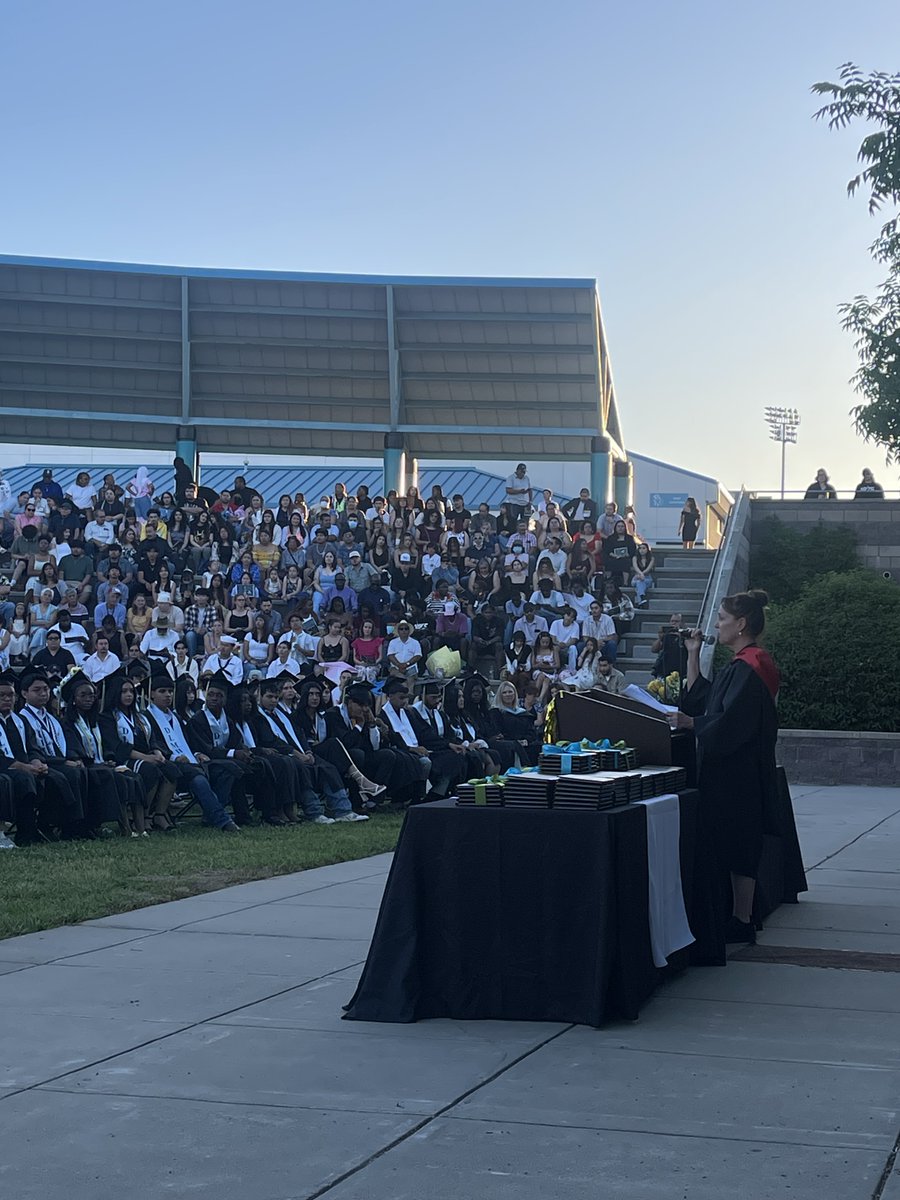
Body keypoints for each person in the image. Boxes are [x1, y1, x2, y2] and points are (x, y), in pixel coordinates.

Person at [668, 590, 780, 945]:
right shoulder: (744, 663)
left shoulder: (752, 666)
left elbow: (729, 722)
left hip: (738, 772)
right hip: (734, 770)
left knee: (739, 843)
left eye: (721, 618)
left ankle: (741, 918)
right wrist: (693, 655)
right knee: (735, 843)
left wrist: (691, 724)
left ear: (741, 623)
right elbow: (704, 698)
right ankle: (739, 915)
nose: (716, 624)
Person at [143, 674, 241, 832]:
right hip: (169, 765)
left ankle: (210, 815)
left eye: (170, 691)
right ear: (151, 694)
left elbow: (187, 742)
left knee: (227, 769)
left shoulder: (174, 716)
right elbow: (151, 744)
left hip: (191, 762)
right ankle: (222, 820)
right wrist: (174, 756)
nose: (168, 695)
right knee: (198, 779)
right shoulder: (146, 717)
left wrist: (196, 753)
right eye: (162, 691)